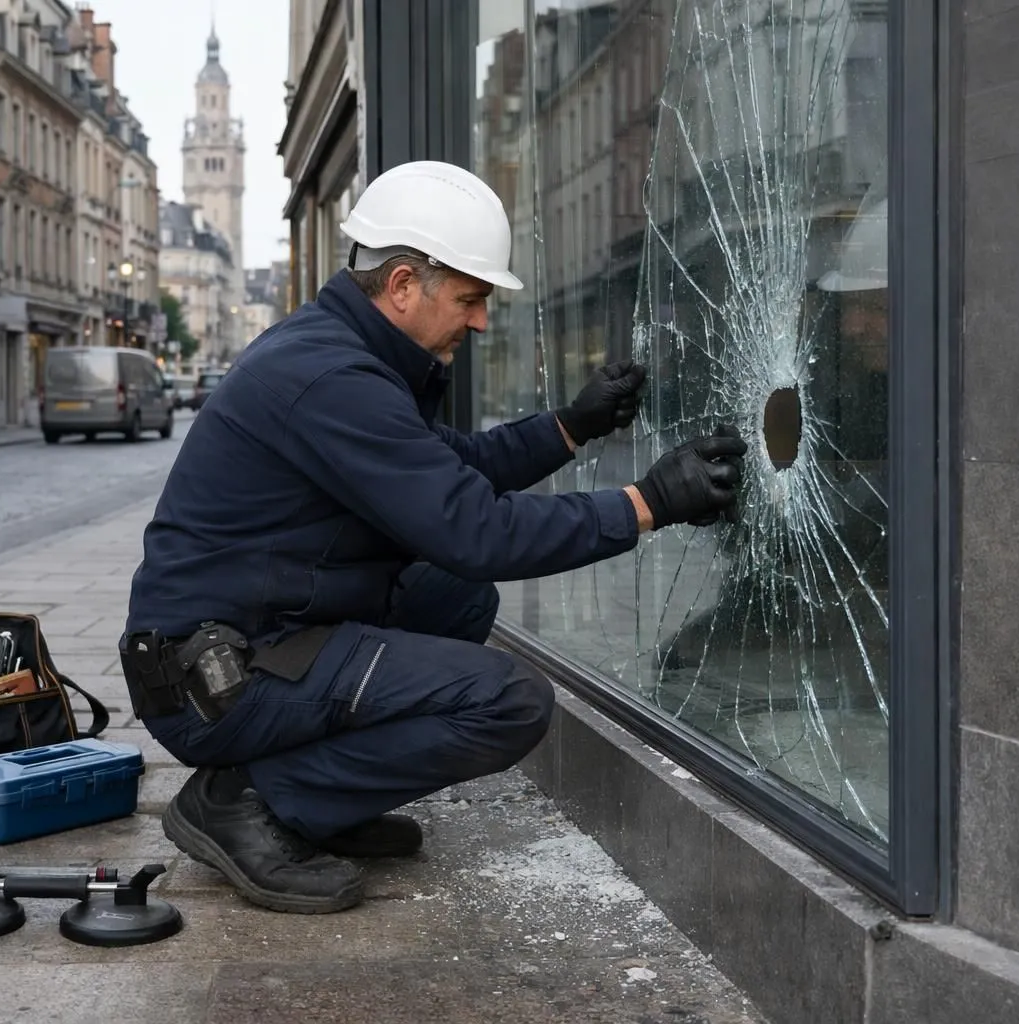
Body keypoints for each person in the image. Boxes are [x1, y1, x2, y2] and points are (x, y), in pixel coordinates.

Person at [119, 160, 747, 915]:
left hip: (260, 635)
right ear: (405, 284)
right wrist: (645, 503)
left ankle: (319, 797)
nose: (481, 321)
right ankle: (253, 799)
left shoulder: (344, 355)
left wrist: (570, 428)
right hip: (221, 680)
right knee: (509, 702)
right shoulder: (331, 380)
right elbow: (473, 529)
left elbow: (450, 468)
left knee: (455, 599)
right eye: (471, 299)